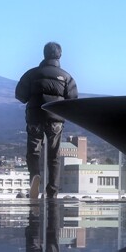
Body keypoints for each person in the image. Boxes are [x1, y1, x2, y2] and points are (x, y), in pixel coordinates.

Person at [15, 42, 78, 198]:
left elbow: (20, 95)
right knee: (54, 154)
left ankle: (35, 177)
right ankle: (52, 190)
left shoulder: (31, 74)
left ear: (44, 54)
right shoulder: (66, 77)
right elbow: (72, 100)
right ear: (59, 55)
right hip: (55, 119)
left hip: (35, 118)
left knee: (33, 152)